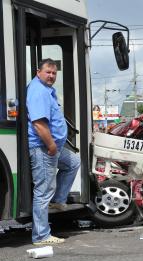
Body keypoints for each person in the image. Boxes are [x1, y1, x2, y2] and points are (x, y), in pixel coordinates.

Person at [27, 58, 81, 245]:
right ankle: (41, 236)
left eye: (54, 73)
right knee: (43, 191)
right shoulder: (38, 92)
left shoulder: (46, 90)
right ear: (38, 72)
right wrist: (51, 145)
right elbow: (39, 124)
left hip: (53, 147)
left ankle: (57, 200)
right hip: (44, 148)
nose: (51, 76)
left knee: (73, 162)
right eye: (48, 72)